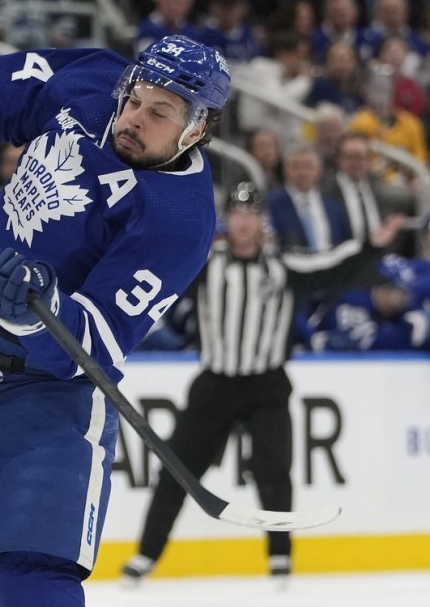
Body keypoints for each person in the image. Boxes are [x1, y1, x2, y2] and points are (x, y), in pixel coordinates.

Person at [0, 35, 229, 607]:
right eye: (135, 99)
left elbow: (100, 339)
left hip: (54, 402)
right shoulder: (91, 80)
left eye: (160, 113)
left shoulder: (179, 218)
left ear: (195, 129)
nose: (135, 118)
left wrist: (40, 309)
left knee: (37, 587)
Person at [120, 184, 403, 587]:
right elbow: (159, 260)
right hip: (215, 384)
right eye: (237, 213)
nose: (243, 221)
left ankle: (280, 559)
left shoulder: (283, 266)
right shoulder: (204, 262)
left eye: (251, 213)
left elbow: (332, 267)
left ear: (260, 220)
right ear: (228, 219)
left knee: (274, 473)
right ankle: (146, 555)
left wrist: (370, 246)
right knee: (176, 472)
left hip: (267, 386)